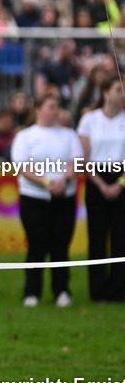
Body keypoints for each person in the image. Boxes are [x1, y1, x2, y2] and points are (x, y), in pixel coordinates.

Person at [10, 94, 84, 308]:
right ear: (38, 109)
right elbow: (22, 165)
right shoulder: (25, 136)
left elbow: (77, 161)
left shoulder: (69, 135)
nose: (55, 110)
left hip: (65, 197)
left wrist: (64, 180)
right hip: (34, 198)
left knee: (60, 245)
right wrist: (48, 182)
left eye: (57, 106)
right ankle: (32, 291)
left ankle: (61, 290)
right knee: (36, 245)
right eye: (51, 106)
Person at [76, 80, 125, 302]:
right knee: (97, 237)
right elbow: (83, 157)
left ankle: (117, 290)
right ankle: (97, 290)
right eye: (119, 89)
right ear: (105, 92)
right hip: (97, 178)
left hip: (121, 178)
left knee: (120, 238)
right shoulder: (89, 120)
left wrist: (119, 184)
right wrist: (101, 184)